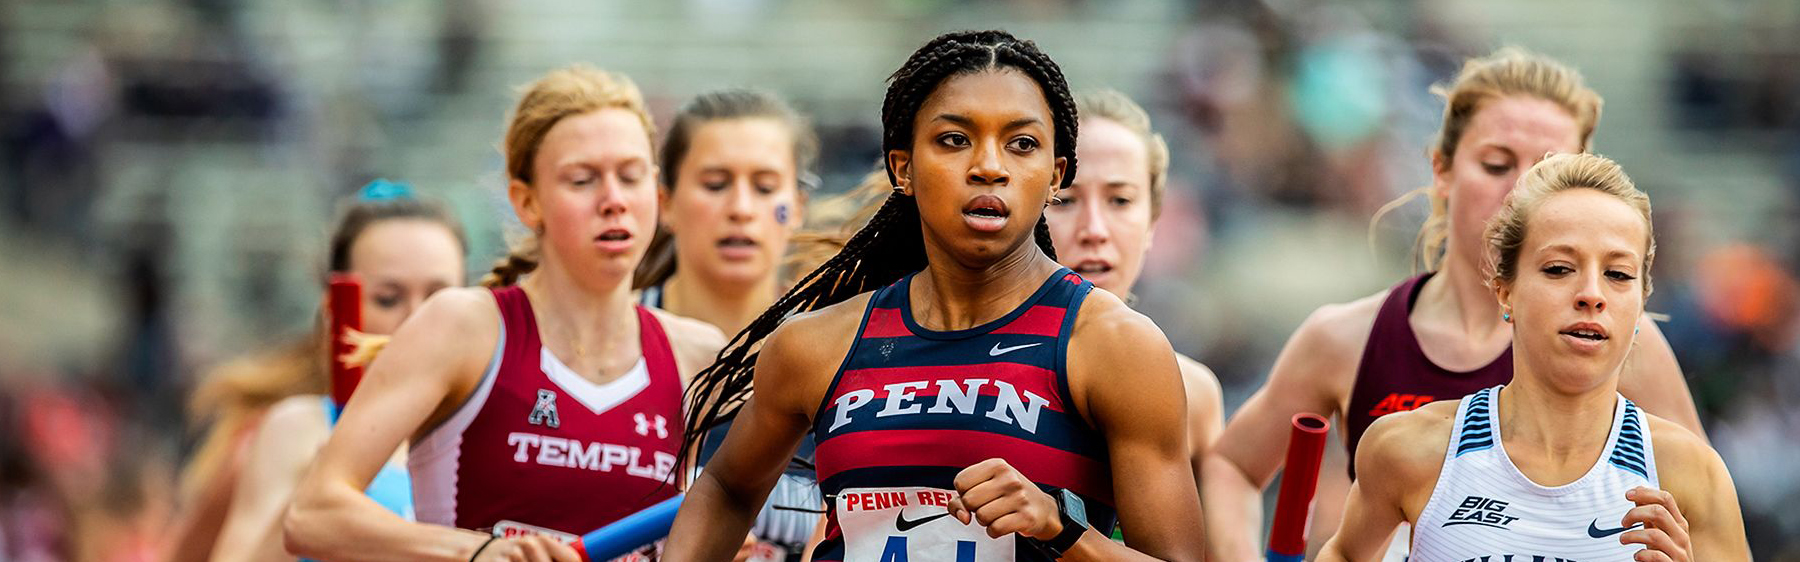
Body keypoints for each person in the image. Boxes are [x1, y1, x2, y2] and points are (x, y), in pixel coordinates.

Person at [664, 30, 1206, 561]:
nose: (989, 166)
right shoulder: (819, 343)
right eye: (954, 140)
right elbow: (726, 488)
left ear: (1055, 175)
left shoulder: (1113, 345)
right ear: (903, 168)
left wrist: (1062, 530)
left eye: (1022, 144)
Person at [1201, 48, 1707, 560]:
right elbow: (1233, 467)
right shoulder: (1347, 338)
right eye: (1496, 164)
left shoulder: (1624, 344)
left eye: (1549, 171)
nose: (1519, 193)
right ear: (1442, 169)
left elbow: (1707, 519)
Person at [283, 65, 725, 562]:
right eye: (582, 180)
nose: (614, 201)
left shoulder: (699, 355)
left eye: (630, 176)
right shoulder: (463, 327)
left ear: (658, 194)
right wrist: (476, 553)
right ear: (526, 201)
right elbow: (312, 514)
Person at [1317, 153, 1749, 561]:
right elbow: (1344, 553)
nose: (1592, 295)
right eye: (1559, 269)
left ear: (1641, 303)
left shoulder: (1690, 475)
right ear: (1505, 289)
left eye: (1618, 274)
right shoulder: (1412, 450)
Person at [163, 181, 467, 562]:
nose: (417, 318)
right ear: (335, 309)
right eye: (388, 299)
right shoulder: (299, 428)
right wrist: (312, 494)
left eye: (439, 298)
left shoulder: (492, 432)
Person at [633, 88, 823, 560]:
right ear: (666, 202)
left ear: (796, 207)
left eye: (764, 187)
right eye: (715, 184)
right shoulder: (608, 345)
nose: (741, 208)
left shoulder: (838, 353)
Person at [1044, 88, 1224, 492]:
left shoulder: (1192, 393)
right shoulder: (959, 380)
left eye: (1120, 200)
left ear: (1153, 222)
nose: (1094, 230)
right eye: (1065, 200)